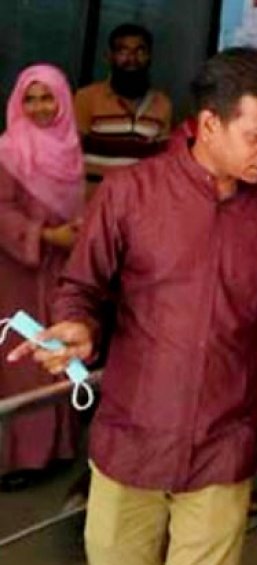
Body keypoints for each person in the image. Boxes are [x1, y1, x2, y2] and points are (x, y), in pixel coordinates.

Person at [7, 47, 257, 565]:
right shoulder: (131, 193)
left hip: (223, 449)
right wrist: (77, 323)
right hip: (130, 443)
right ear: (210, 124)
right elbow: (82, 285)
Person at [0, 64, 84, 491]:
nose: (38, 107)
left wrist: (76, 233)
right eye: (29, 99)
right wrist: (46, 235)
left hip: (57, 269)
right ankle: (17, 457)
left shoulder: (70, 150)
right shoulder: (7, 150)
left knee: (56, 350)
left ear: (63, 100)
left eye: (47, 97)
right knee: (20, 359)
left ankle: (54, 448)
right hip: (13, 271)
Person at [74, 23, 173, 188]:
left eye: (140, 51)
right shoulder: (87, 98)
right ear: (110, 56)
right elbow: (70, 154)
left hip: (140, 199)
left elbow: (162, 163)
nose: (132, 59)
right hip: (94, 198)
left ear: (149, 56)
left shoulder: (162, 104)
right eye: (123, 52)